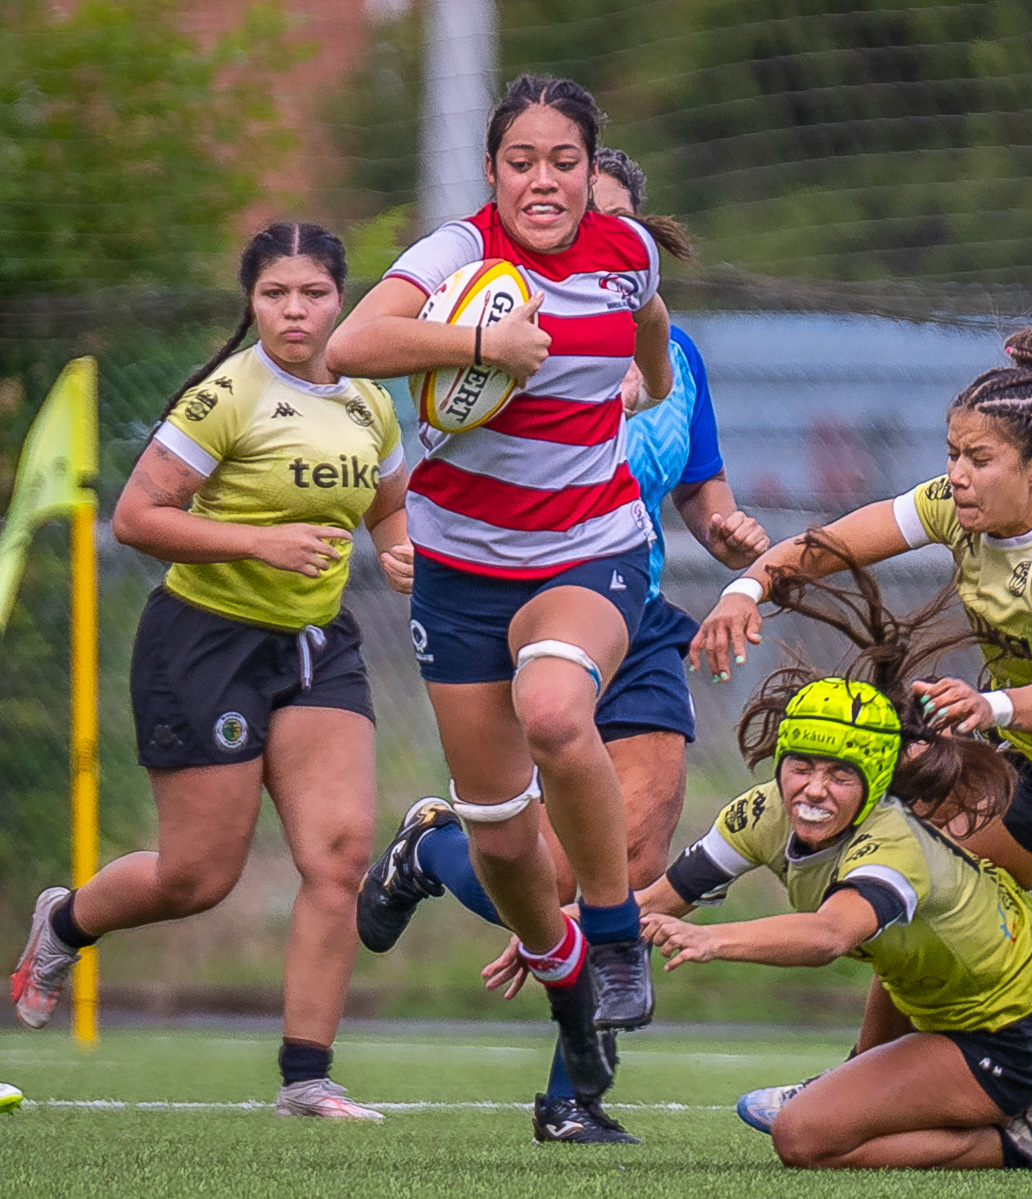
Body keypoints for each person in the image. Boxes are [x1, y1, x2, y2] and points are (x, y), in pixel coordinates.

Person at [490, 570, 1032, 1170]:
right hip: (964, 1002)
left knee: (803, 1136)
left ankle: (1016, 1142)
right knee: (917, 1080)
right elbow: (652, 897)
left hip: (1010, 1025)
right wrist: (549, 934)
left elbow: (829, 936)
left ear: (873, 783)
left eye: (839, 775)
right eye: (801, 765)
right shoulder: (765, 812)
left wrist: (716, 940)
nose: (812, 788)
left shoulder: (893, 845)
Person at [354, 149, 769, 1143]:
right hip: (511, 606)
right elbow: (407, 418)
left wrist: (731, 538)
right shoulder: (488, 325)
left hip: (633, 604)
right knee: (534, 865)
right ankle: (436, 849)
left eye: (604, 221)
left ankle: (572, 1098)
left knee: (627, 849)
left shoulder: (667, 341)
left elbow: (700, 484)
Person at [327, 75, 686, 1127]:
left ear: (590, 169)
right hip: (461, 567)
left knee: (556, 712)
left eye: (563, 161)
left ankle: (614, 939)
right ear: (493, 172)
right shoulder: (455, 255)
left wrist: (648, 386)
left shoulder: (628, 253)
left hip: (591, 547)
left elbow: (652, 319)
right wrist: (481, 345)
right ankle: (572, 995)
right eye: (521, 161)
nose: (543, 179)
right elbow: (353, 346)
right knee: (501, 839)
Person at [9, 223, 409, 1119]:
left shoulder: (370, 401)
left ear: (341, 297)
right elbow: (139, 517)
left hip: (316, 644)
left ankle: (308, 1076)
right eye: (276, 295)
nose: (295, 311)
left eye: (311, 293)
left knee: (340, 853)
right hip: (206, 643)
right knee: (199, 876)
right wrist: (261, 542)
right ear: (252, 302)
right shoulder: (229, 393)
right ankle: (66, 923)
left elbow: (389, 498)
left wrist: (399, 550)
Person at [691, 326, 1032, 892]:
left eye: (979, 458)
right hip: (1019, 744)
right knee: (868, 806)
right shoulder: (956, 503)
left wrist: (988, 705)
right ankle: (662, 903)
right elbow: (834, 545)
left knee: (903, 888)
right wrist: (743, 593)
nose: (957, 475)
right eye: (953, 453)